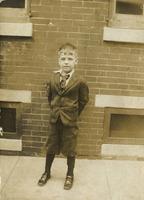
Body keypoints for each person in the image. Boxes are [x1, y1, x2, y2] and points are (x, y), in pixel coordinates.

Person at [38, 43, 89, 190]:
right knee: (51, 146)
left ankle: (69, 175)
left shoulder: (80, 81)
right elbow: (50, 97)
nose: (66, 61)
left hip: (70, 120)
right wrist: (56, 110)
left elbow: (83, 100)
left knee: (70, 148)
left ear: (76, 61)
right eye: (63, 58)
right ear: (59, 61)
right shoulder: (53, 78)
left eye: (70, 58)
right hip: (55, 119)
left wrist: (73, 113)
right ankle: (46, 172)